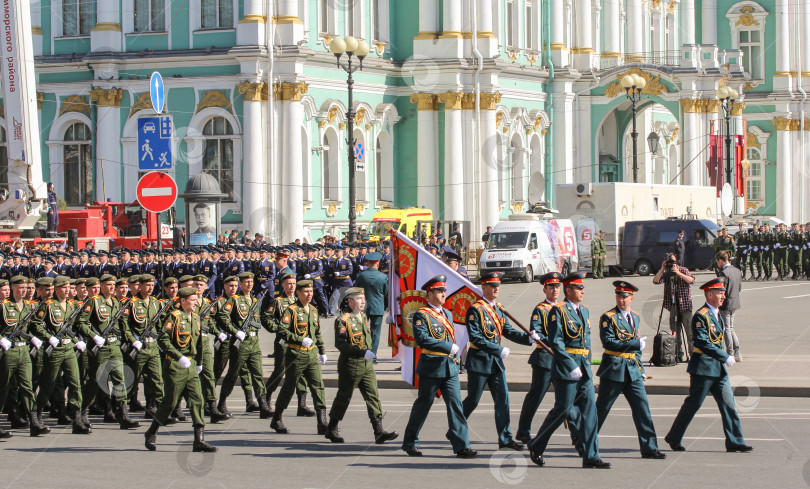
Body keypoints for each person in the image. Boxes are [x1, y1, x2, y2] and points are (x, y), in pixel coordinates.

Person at [527, 272, 610, 469]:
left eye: (583, 288)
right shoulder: (559, 311)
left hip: (583, 368)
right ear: (569, 290)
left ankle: (591, 455)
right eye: (579, 288)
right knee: (562, 409)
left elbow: (586, 341)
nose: (583, 291)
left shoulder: (585, 311)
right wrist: (571, 365)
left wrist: (586, 363)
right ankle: (537, 445)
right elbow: (556, 342)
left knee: (590, 412)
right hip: (567, 368)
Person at [664, 277, 753, 453]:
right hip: (703, 368)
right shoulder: (701, 316)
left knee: (729, 404)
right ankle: (674, 437)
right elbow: (703, 342)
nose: (723, 296)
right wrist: (725, 356)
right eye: (720, 293)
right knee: (693, 404)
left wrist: (722, 358)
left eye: (723, 293)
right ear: (710, 294)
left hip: (718, 369)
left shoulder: (716, 314)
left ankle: (735, 441)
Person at [401, 275, 477, 459]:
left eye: (444, 290)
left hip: (449, 367)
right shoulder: (422, 314)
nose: (444, 294)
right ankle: (410, 442)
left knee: (456, 406)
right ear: (430, 294)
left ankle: (461, 446)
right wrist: (447, 346)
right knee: (424, 405)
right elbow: (422, 339)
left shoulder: (447, 314)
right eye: (440, 291)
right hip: (432, 367)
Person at [459, 272, 535, 450]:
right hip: (479, 361)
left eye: (498, 286)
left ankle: (505, 438)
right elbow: (476, 338)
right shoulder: (475, 310)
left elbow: (507, 331)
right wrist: (498, 349)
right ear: (483, 288)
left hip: (495, 363)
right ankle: (456, 427)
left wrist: (528, 339)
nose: (496, 289)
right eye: (492, 286)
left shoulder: (498, 309)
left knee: (503, 400)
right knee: (473, 400)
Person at [594, 281, 665, 459]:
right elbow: (608, 342)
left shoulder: (635, 316)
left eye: (625, 297)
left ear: (632, 298)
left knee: (642, 409)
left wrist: (640, 367)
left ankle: (649, 447)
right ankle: (584, 441)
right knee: (601, 410)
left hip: (632, 370)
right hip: (614, 368)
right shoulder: (608, 317)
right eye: (618, 296)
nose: (621, 300)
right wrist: (634, 344)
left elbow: (636, 350)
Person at [143, 287, 216, 453]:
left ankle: (199, 440)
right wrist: (178, 357)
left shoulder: (196, 319)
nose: (195, 302)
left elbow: (198, 343)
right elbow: (163, 340)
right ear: (182, 301)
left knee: (197, 400)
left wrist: (199, 362)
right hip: (176, 366)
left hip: (190, 366)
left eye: (196, 299)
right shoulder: (174, 317)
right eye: (192, 300)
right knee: (169, 402)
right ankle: (151, 431)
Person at [324, 287, 398, 444]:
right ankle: (332, 427)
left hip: (366, 364)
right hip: (351, 364)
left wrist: (367, 353)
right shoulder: (343, 320)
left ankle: (378, 431)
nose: (363, 301)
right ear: (350, 302)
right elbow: (341, 344)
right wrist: (361, 351)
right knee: (344, 396)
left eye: (363, 299)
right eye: (359, 299)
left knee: (373, 396)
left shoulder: (363, 317)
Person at [516, 272, 578, 445]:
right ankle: (523, 431)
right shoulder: (541, 310)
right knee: (536, 396)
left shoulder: (565, 308)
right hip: (545, 359)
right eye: (551, 287)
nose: (555, 290)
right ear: (544, 289)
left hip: (562, 360)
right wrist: (540, 337)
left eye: (557, 287)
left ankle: (576, 433)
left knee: (567, 399)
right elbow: (536, 331)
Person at [271, 279, 329, 435]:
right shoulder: (291, 310)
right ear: (298, 293)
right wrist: (299, 339)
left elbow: (317, 333)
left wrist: (322, 351)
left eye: (311, 291)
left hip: (312, 354)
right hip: (296, 354)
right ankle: (276, 418)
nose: (309, 294)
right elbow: (282, 331)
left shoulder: (313, 310)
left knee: (318, 387)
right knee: (289, 387)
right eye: (305, 291)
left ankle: (322, 422)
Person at [0, 276, 50, 437]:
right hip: (9, 351)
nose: (23, 291)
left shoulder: (28, 306)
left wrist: (33, 337)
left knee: (28, 387)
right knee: (4, 387)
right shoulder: (4, 306)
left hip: (24, 351)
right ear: (13, 288)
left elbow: (33, 325)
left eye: (25, 288)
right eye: (20, 288)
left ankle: (34, 422)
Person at [652, 253, 695, 362]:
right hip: (673, 307)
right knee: (676, 333)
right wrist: (662, 269)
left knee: (690, 333)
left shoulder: (683, 270)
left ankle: (693, 355)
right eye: (670, 263)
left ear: (677, 262)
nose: (672, 265)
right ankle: (678, 355)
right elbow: (655, 281)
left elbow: (691, 280)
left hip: (685, 306)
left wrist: (678, 273)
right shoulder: (666, 273)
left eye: (673, 262)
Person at [353, 252, 388, 359]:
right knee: (375, 333)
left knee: (361, 330)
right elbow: (386, 293)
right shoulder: (383, 277)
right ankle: (372, 355)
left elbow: (355, 291)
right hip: (377, 308)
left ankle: (362, 352)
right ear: (378, 263)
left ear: (367, 263)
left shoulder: (360, 276)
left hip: (362, 307)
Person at [715, 251, 742, 362]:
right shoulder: (737, 270)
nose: (717, 264)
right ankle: (737, 352)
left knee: (727, 329)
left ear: (721, 260)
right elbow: (739, 287)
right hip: (735, 302)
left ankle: (730, 353)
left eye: (718, 262)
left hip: (726, 304)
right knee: (731, 328)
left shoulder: (724, 273)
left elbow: (722, 289)